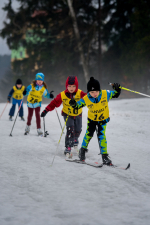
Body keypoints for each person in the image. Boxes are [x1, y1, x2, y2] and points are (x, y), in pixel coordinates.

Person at [69, 77, 121, 165]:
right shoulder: (86, 98)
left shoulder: (105, 93)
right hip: (92, 120)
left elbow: (116, 94)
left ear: (99, 90)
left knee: (102, 136)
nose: (94, 94)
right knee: (88, 135)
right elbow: (77, 105)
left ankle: (104, 156)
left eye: (96, 91)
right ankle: (82, 152)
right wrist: (73, 104)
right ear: (88, 91)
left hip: (102, 120)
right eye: (92, 92)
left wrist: (117, 89)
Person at [41, 76, 87, 155]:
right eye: (69, 86)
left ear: (76, 86)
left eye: (73, 86)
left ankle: (75, 139)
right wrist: (46, 110)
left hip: (78, 114)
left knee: (78, 129)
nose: (71, 88)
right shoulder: (62, 94)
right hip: (67, 114)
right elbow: (54, 103)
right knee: (70, 129)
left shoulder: (80, 93)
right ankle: (68, 146)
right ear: (66, 86)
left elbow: (88, 99)